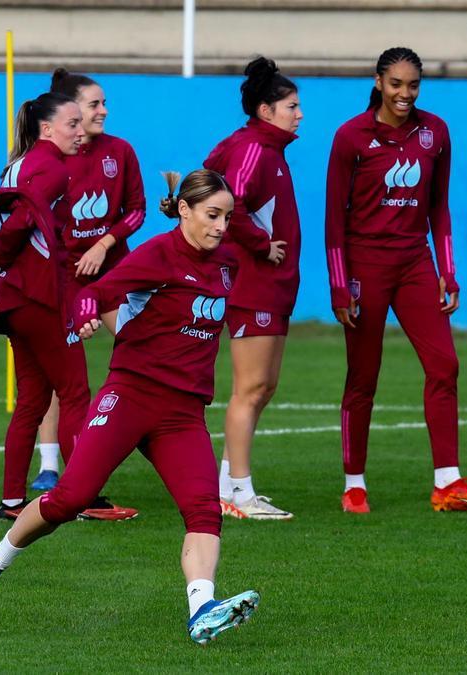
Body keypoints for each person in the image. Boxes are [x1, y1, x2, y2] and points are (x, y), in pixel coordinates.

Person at [0, 170, 260, 645]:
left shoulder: (226, 264)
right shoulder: (158, 254)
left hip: (182, 414)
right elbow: (94, 291)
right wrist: (86, 315)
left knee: (204, 510)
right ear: (185, 211)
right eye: (212, 215)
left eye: (227, 217)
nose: (221, 226)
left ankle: (202, 608)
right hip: (130, 396)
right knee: (72, 497)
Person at [325, 46, 467, 513]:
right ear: (379, 82)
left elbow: (439, 207)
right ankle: (354, 484)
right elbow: (333, 221)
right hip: (365, 267)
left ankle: (448, 483)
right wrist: (339, 285)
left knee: (445, 365)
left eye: (413, 85)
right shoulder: (350, 138)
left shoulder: (435, 132)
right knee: (363, 376)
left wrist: (448, 271)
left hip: (415, 264)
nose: (405, 93)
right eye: (396, 84)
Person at [19, 69, 143, 524]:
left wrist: (104, 244)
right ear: (69, 112)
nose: (102, 111)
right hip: (61, 283)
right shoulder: (47, 161)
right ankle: (52, 467)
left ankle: (135, 432)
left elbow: (137, 212)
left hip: (111, 276)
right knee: (61, 378)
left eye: (103, 103)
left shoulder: (120, 152)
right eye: (93, 104)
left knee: (140, 346)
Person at [0, 92, 91, 521]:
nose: (81, 130)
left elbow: (3, 218)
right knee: (75, 392)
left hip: (15, 301)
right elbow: (18, 223)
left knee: (32, 401)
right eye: (73, 123)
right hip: (40, 297)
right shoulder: (53, 169)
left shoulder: (18, 165)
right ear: (47, 129)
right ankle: (79, 495)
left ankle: (12, 501)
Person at [203, 56, 302, 520]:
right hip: (252, 285)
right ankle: (238, 494)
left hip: (273, 285)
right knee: (250, 387)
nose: (299, 115)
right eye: (292, 106)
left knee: (264, 387)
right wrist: (262, 246)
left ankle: (230, 485)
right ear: (266, 111)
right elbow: (229, 202)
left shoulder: (269, 150)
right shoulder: (253, 149)